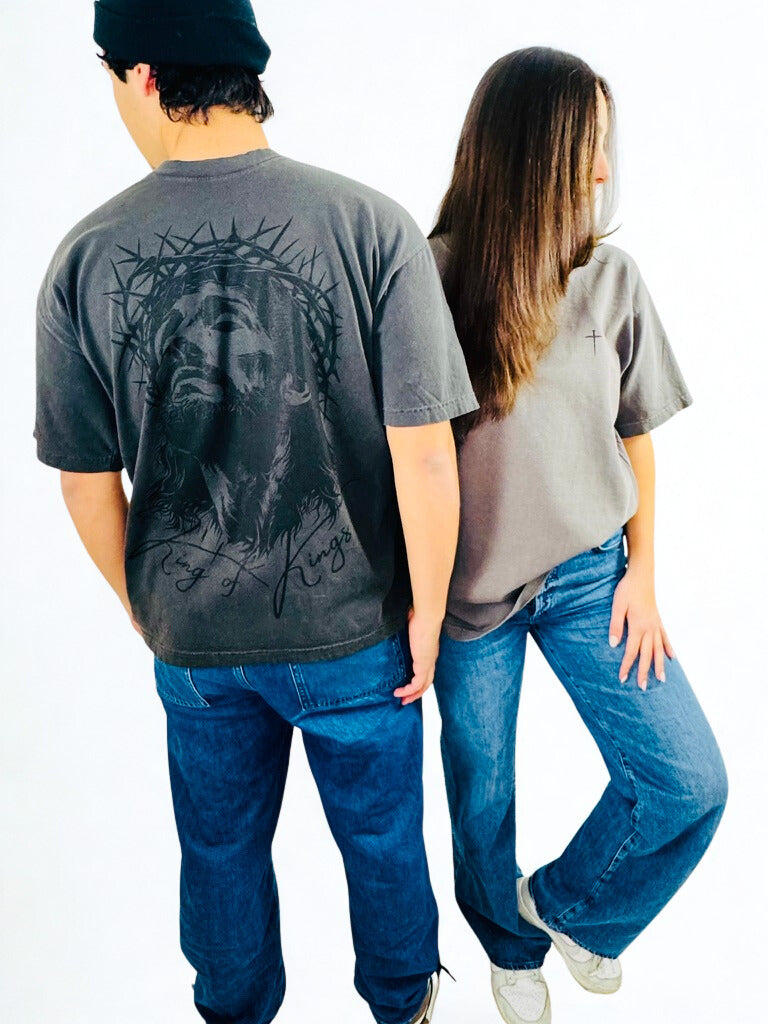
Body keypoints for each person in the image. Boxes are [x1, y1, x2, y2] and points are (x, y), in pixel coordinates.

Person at [33, 3, 479, 1022]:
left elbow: (83, 479)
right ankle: (404, 1003)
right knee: (382, 846)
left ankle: (234, 1009)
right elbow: (426, 453)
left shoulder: (84, 255)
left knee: (219, 852)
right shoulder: (371, 224)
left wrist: (144, 605)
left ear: (143, 76)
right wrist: (427, 613)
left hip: (195, 641)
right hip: (356, 629)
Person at [427, 47, 728, 1024]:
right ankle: (508, 950)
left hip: (594, 572)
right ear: (538, 150)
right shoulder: (431, 279)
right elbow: (403, 461)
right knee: (482, 802)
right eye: (590, 145)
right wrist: (418, 605)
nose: (605, 167)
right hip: (468, 603)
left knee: (688, 780)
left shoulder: (613, 279)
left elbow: (634, 432)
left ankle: (568, 907)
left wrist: (644, 570)